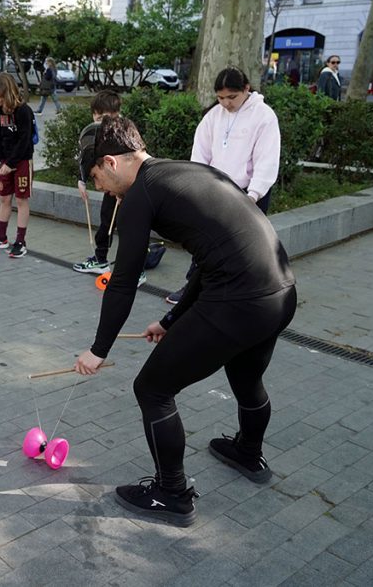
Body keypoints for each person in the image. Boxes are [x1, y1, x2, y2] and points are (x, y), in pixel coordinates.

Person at [75, 115, 296, 527]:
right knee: (245, 374)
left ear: (111, 162)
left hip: (239, 299)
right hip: (280, 293)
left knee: (152, 388)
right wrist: (172, 319)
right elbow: (211, 260)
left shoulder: (139, 194)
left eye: (97, 178)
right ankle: (248, 453)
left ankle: (172, 494)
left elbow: (123, 281)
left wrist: (98, 350)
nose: (101, 188)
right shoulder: (182, 172)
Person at [166, 67, 280, 304]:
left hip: (249, 193)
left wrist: (253, 194)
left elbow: (267, 159)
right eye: (220, 98)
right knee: (204, 243)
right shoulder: (213, 116)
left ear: (246, 89)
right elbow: (200, 154)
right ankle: (193, 288)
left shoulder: (264, 116)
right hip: (215, 191)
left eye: (232, 97)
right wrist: (197, 186)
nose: (226, 103)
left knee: (245, 247)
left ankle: (244, 294)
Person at [0, 73, 34, 258]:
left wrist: (11, 163)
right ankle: (1, 237)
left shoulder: (23, 111)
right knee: (4, 198)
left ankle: (20, 241)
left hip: (22, 160)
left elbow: (25, 140)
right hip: (5, 161)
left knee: (21, 200)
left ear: (8, 92)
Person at [73, 90, 122, 275]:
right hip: (111, 187)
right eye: (97, 116)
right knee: (106, 220)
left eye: (104, 117)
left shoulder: (123, 131)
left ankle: (135, 269)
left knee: (129, 227)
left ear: (116, 114)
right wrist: (82, 180)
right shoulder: (93, 132)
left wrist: (122, 189)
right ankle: (100, 259)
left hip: (126, 186)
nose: (99, 121)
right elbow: (86, 156)